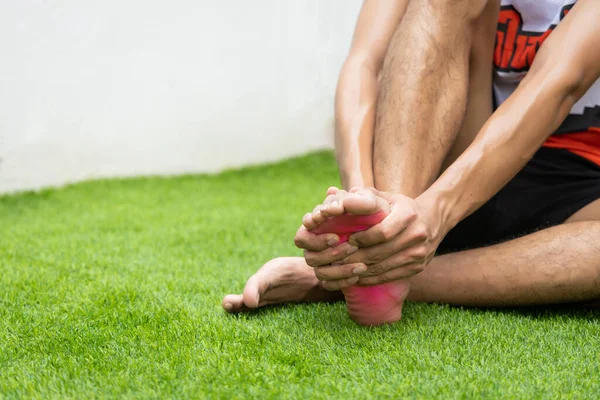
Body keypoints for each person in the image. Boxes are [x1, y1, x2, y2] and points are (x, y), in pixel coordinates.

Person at [223, 0, 600, 325]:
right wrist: (365, 200)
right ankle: (389, 231)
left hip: (584, 186)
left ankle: (374, 275)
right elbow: (364, 63)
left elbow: (561, 80)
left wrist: (433, 215)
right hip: (460, 156)